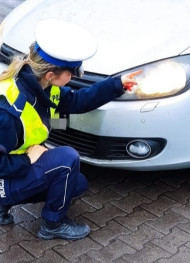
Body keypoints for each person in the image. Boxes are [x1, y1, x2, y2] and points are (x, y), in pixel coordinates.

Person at [0, 19, 141, 240]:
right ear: (50, 74)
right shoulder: (9, 110)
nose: (75, 76)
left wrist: (117, 84)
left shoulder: (43, 87)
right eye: (72, 72)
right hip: (3, 178)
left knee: (76, 183)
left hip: (13, 170)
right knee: (67, 158)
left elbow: (78, 101)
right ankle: (52, 225)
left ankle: (6, 204)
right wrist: (29, 160)